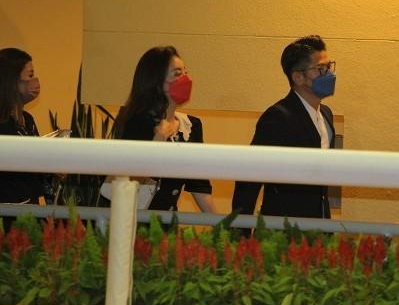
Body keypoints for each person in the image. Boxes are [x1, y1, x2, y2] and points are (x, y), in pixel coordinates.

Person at [232, 35, 337, 221]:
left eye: (329, 66)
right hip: (284, 227)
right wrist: (240, 229)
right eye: (321, 68)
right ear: (298, 77)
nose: (329, 74)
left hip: (320, 226)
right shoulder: (278, 117)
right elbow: (250, 176)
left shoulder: (326, 114)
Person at [113, 46, 216, 212]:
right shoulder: (137, 122)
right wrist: (157, 142)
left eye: (185, 72)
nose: (186, 79)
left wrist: (223, 225)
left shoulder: (190, 126)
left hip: (167, 224)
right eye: (177, 74)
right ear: (156, 81)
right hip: (133, 222)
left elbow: (199, 186)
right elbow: (128, 182)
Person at [0, 48, 52, 229]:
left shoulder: (27, 120)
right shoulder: (2, 124)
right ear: (12, 80)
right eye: (30, 75)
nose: (35, 81)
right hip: (7, 215)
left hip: (30, 210)